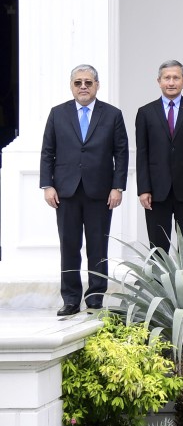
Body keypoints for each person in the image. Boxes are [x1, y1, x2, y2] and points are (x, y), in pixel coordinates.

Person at [40, 64, 129, 316]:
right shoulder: (57, 114)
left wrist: (117, 187)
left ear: (97, 85)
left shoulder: (112, 114)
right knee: (69, 246)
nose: (83, 87)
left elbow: (120, 153)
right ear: (71, 86)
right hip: (65, 191)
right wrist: (47, 185)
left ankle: (95, 297)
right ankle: (70, 298)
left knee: (97, 247)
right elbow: (48, 151)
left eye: (88, 82)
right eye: (78, 82)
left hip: (100, 192)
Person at [135, 60, 183, 260]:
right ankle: (159, 287)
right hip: (156, 192)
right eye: (167, 78)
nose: (171, 82)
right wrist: (143, 189)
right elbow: (142, 153)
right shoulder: (145, 112)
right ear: (158, 81)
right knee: (158, 246)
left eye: (176, 78)